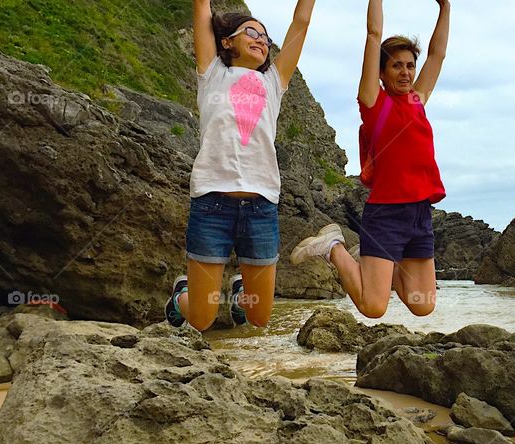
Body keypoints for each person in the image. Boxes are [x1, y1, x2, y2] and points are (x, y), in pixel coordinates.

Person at [290, 0, 451, 319]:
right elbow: (374, 34)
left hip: (420, 214)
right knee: (373, 306)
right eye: (396, 66)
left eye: (409, 65)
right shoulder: (374, 103)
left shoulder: (417, 101)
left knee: (422, 303)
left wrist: (445, 7)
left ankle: (371, 258)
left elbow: (437, 55)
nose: (405, 72)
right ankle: (333, 246)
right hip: (387, 214)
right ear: (381, 72)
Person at [165, 0, 316, 330]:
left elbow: (301, 24)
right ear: (227, 42)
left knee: (259, 318)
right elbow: (201, 8)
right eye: (251, 32)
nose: (261, 39)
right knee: (202, 319)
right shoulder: (213, 73)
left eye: (265, 35)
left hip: (260, 208)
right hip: (211, 206)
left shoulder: (274, 83)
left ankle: (239, 295)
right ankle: (181, 296)